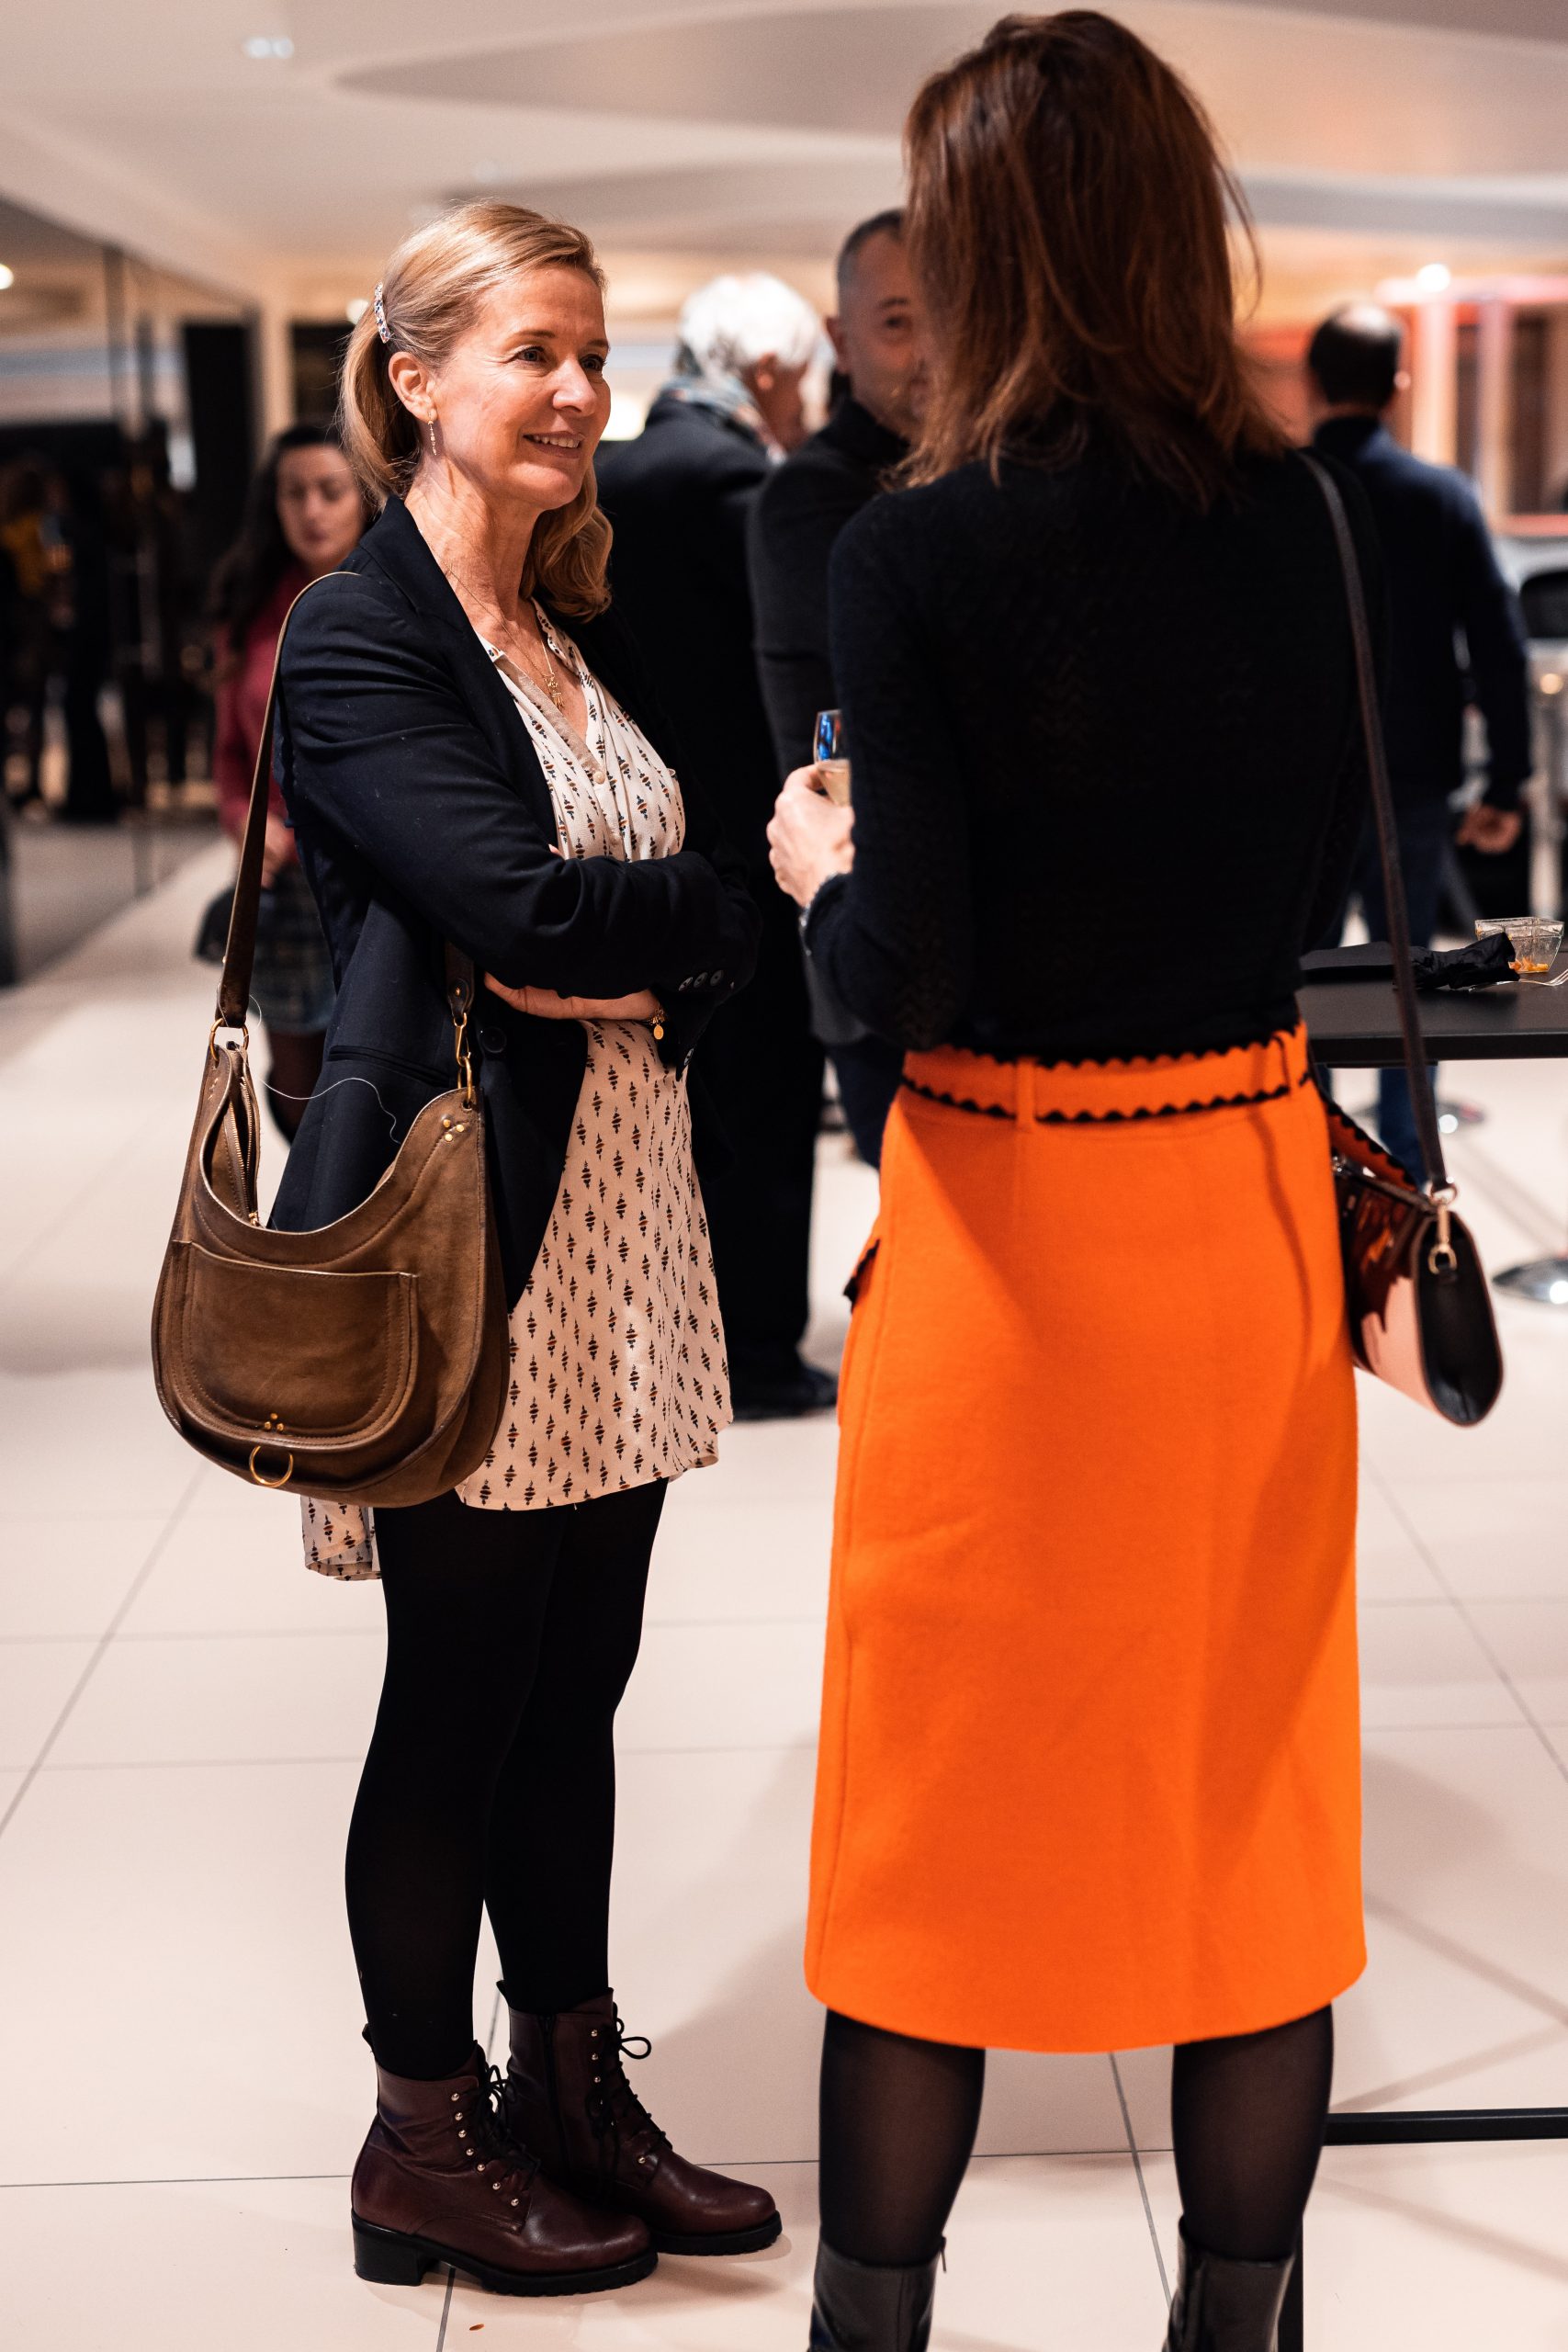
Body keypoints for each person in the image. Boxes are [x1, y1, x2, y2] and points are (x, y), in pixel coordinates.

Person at [768, 16, 1382, 2350]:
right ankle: (1233, 2316)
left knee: (931, 1816)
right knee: (1243, 1794)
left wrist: (820, 872)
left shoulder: (912, 550)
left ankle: (877, 2320)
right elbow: (1317, 874)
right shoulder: (1293, 516)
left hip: (1008, 1233)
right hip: (1234, 1199)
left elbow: (901, 966)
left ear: (981, 245)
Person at [270, 201, 770, 2299]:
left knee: (578, 1689)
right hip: (472, 1242)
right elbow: (527, 911)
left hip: (623, 1225)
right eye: (532, 352)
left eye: (593, 352)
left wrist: (656, 936)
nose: (578, 390)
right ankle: (421, 2134)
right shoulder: (362, 635)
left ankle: (572, 2084)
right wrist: (721, 909)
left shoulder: (563, 617)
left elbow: (601, 914)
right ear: (414, 380)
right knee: (459, 1694)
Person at [597, 272, 835, 1417]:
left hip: (624, 838)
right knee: (766, 1096)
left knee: (659, 1095)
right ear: (771, 372)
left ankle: (663, 1325)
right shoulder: (753, 490)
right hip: (749, 842)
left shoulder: (602, 480)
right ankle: (758, 1350)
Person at [1307, 302, 1531, 1175]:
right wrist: (1505, 781)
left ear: (1311, 382)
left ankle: (1313, 1153)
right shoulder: (1438, 496)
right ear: (1398, 385)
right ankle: (1408, 1166)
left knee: (1302, 973)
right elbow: (1498, 646)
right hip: (1413, 777)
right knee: (1408, 974)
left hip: (1302, 786)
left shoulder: (1281, 490)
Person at [750, 212, 925, 1168]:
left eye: (951, 317)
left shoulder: (980, 471)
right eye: (898, 323)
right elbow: (848, 723)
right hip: (873, 926)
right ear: (840, 340)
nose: (931, 350)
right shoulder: (817, 495)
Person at [209, 424, 367, 1137]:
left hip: (375, 872)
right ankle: (312, 1197)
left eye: (330, 491)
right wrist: (245, 822)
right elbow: (228, 754)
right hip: (286, 878)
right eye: (293, 493)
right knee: (297, 1083)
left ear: (363, 496)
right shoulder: (249, 609)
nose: (312, 511)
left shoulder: (390, 595)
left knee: (375, 1073)